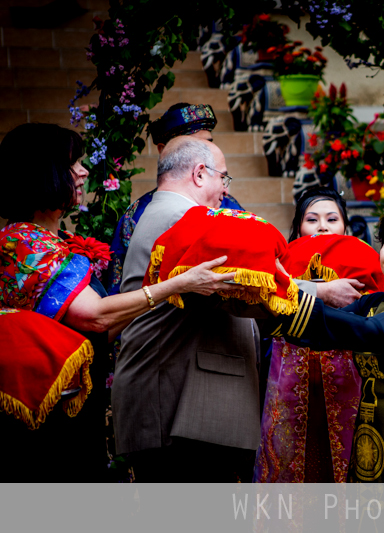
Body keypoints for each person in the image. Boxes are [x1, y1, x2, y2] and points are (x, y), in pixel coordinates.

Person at [0, 124, 235, 481]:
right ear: (41, 172)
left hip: (77, 407)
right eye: (70, 164)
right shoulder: (23, 242)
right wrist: (178, 283)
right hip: (46, 418)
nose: (81, 172)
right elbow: (94, 318)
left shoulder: (58, 239)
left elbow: (100, 332)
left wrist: (162, 283)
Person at [111, 136, 266, 482]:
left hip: (178, 396)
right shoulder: (183, 218)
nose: (225, 190)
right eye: (223, 178)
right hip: (176, 401)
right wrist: (323, 292)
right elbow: (248, 280)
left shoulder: (166, 212)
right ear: (199, 174)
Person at [273, 204, 384, 482]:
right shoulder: (375, 302)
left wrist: (290, 294)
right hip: (370, 424)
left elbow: (369, 332)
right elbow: (325, 331)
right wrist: (272, 302)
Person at [254, 187, 371, 483]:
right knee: (289, 453)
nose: (322, 227)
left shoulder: (366, 261)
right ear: (298, 227)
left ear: (345, 225)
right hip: (291, 366)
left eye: (332, 219)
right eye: (312, 219)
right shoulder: (279, 266)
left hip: (347, 369)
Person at [106, 102, 244, 295]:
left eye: (209, 143)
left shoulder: (229, 204)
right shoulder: (138, 215)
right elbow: (120, 292)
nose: (207, 152)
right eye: (194, 145)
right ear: (164, 150)